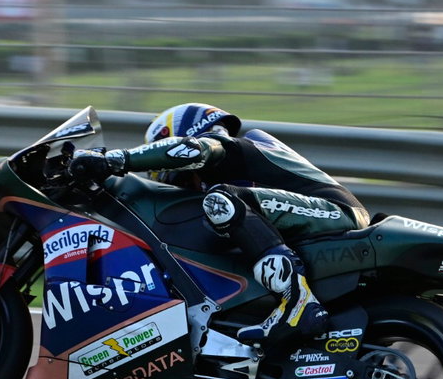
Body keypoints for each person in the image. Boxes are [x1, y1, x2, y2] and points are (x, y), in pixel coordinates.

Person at [68, 102, 369, 349]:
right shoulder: (236, 170)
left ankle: (297, 302)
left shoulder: (225, 146)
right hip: (316, 218)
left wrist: (114, 161)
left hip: (335, 211)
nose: (180, 182)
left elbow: (191, 151)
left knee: (219, 201)